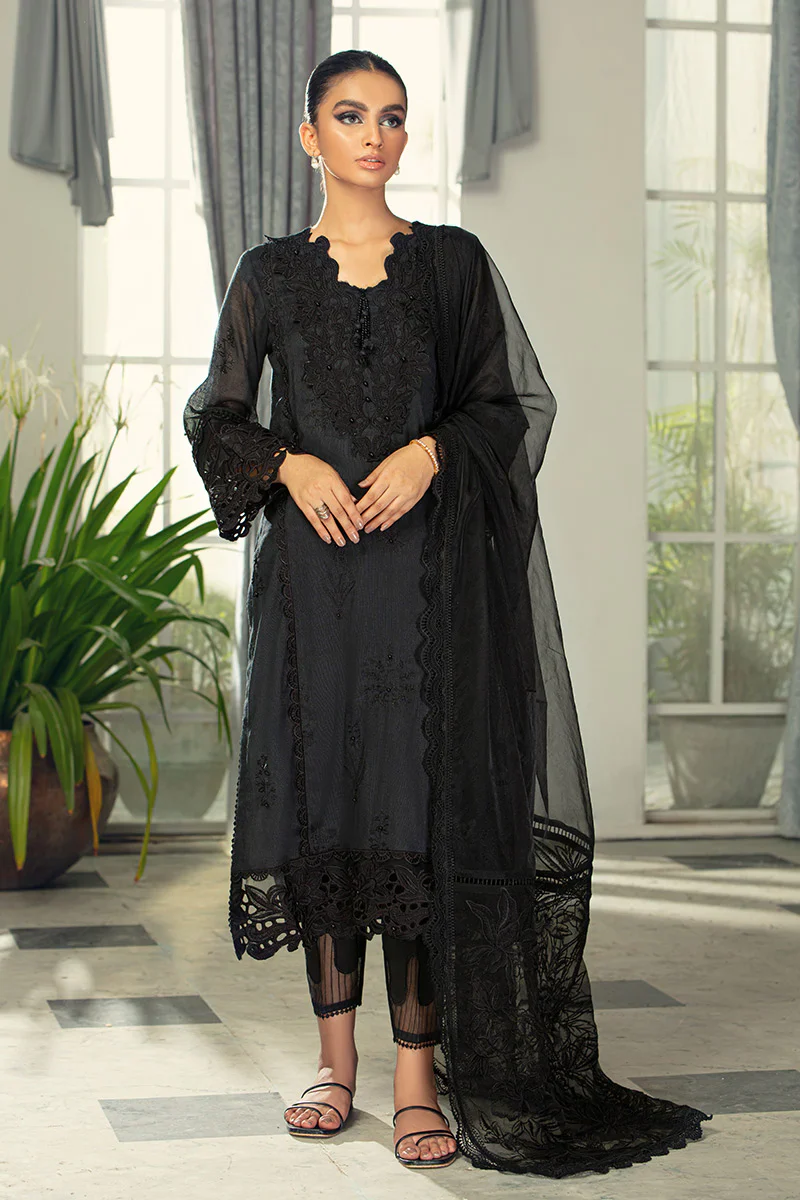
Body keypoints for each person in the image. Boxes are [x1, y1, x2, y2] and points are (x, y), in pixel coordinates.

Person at [184, 48, 712, 1176]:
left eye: (391, 117)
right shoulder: (267, 275)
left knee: (420, 822)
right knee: (328, 811)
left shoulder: (453, 265)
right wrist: (288, 464)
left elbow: (511, 404)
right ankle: (334, 1066)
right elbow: (216, 417)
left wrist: (430, 452)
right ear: (309, 137)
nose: (373, 135)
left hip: (429, 589)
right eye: (349, 115)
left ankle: (417, 1080)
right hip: (314, 594)